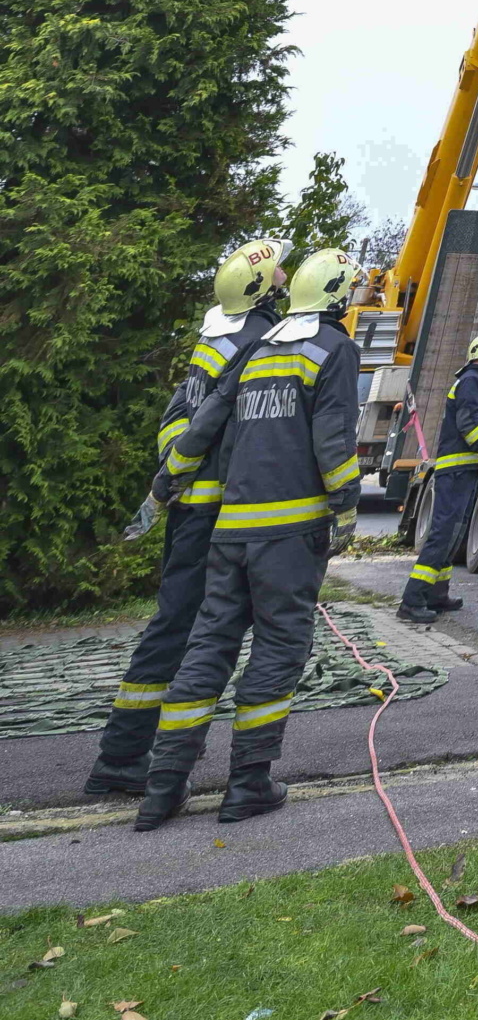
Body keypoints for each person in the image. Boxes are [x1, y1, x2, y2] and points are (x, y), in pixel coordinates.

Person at [132, 246, 362, 831]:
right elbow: (332, 436)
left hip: (229, 532)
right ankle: (249, 783)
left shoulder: (259, 347)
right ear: (336, 295)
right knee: (280, 648)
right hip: (288, 536)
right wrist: (346, 505)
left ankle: (162, 788)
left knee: (209, 646)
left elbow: (207, 419)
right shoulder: (334, 349)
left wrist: (165, 484)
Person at [83, 238, 288, 798]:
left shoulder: (216, 335)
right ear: (261, 287)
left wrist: (171, 477)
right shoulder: (255, 339)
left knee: (179, 624)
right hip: (211, 512)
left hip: (190, 505)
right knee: (185, 628)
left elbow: (179, 414)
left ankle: (137, 750)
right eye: (278, 271)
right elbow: (222, 426)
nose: (286, 276)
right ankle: (124, 756)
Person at [397, 329, 478, 625]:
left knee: (453, 533)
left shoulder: (477, 380)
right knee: (443, 533)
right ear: (477, 352)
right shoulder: (471, 380)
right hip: (455, 471)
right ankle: (412, 600)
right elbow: (467, 420)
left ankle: (436, 594)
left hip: (463, 471)